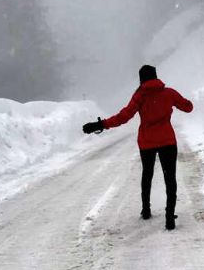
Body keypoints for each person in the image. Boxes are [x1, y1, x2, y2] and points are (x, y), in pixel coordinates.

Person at [82, 65, 193, 230]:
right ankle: (170, 217)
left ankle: (146, 210)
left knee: (147, 174)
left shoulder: (140, 96)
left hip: (146, 142)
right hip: (167, 141)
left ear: (141, 79)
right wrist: (177, 102)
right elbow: (188, 107)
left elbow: (124, 116)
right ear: (156, 77)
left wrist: (101, 124)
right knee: (170, 178)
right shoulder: (169, 93)